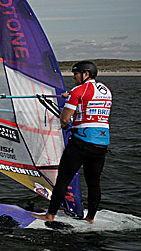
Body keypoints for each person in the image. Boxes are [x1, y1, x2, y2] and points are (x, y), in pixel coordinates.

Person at [33, 61, 112, 223]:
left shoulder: (78, 91)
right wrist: (71, 96)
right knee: (93, 182)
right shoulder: (106, 91)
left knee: (63, 178)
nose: (73, 77)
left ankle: (50, 215)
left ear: (86, 74)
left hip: (81, 142)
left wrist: (65, 122)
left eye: (75, 74)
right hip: (102, 144)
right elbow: (89, 100)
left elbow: (65, 119)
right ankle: (90, 218)